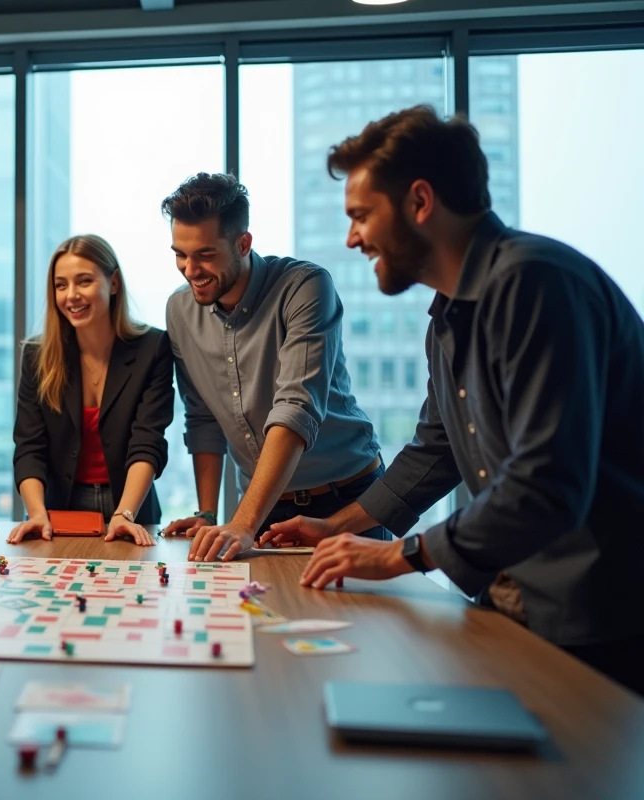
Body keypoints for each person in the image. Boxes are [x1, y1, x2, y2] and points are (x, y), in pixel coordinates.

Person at [262, 105, 644, 696]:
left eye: (362, 215)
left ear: (420, 202)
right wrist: (337, 527)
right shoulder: (447, 315)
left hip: (597, 619)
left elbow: (546, 484)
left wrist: (398, 558)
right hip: (514, 598)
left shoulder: (534, 283)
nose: (352, 237)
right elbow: (435, 450)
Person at [159, 173, 387, 562]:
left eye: (205, 255)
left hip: (346, 500)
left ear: (243, 244)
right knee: (261, 622)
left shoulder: (306, 286)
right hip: (263, 508)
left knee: (357, 622)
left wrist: (244, 523)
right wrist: (208, 513)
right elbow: (203, 421)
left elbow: (295, 409)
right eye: (180, 254)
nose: (190, 269)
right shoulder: (180, 310)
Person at [9, 235, 174, 546]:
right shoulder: (37, 355)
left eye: (84, 281)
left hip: (132, 508)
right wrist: (36, 513)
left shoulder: (153, 347)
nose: (71, 295)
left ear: (113, 283)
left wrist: (124, 513)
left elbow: (148, 441)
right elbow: (29, 447)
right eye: (61, 285)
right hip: (58, 512)